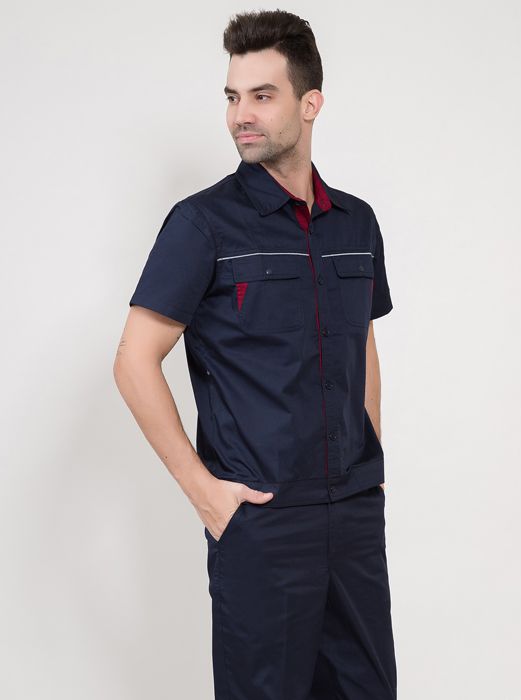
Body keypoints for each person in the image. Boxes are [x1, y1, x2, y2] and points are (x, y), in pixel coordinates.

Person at [113, 9, 397, 699]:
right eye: (233, 97)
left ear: (310, 103)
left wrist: (370, 467)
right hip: (261, 523)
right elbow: (133, 359)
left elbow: (361, 342)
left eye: (262, 96)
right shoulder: (202, 224)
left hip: (353, 518)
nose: (241, 115)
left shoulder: (356, 223)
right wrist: (205, 494)